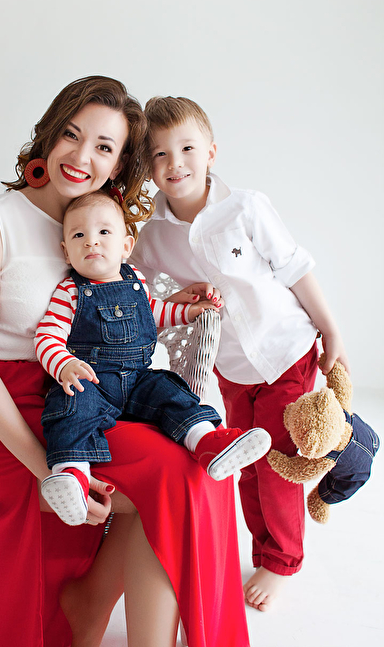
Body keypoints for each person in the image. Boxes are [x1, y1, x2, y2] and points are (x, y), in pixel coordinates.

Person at [0, 77, 251, 647]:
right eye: (71, 135)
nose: (81, 157)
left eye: (104, 146)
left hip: (80, 395)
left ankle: (97, 607)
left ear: (120, 164)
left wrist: (187, 300)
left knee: (193, 471)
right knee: (168, 484)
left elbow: (138, 297)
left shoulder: (104, 225)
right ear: (48, 134)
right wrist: (48, 469)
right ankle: (84, 608)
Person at [132, 95, 349, 614]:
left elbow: (294, 267)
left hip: (287, 350)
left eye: (187, 148)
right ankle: (265, 549)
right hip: (231, 369)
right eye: (160, 154)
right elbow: (136, 290)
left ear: (210, 151)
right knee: (249, 465)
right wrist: (178, 297)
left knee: (277, 465)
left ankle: (283, 561)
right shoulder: (154, 235)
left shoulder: (245, 207)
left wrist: (331, 330)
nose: (175, 163)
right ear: (148, 167)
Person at [36, 191, 271, 526]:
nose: (91, 242)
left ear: (126, 246)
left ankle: (207, 442)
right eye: (78, 235)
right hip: (93, 380)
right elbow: (47, 336)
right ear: (66, 251)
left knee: (170, 391)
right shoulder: (70, 291)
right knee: (72, 407)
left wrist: (187, 312)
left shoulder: (135, 279)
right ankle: (72, 474)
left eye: (104, 232)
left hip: (137, 380)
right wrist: (64, 365)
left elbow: (154, 311)